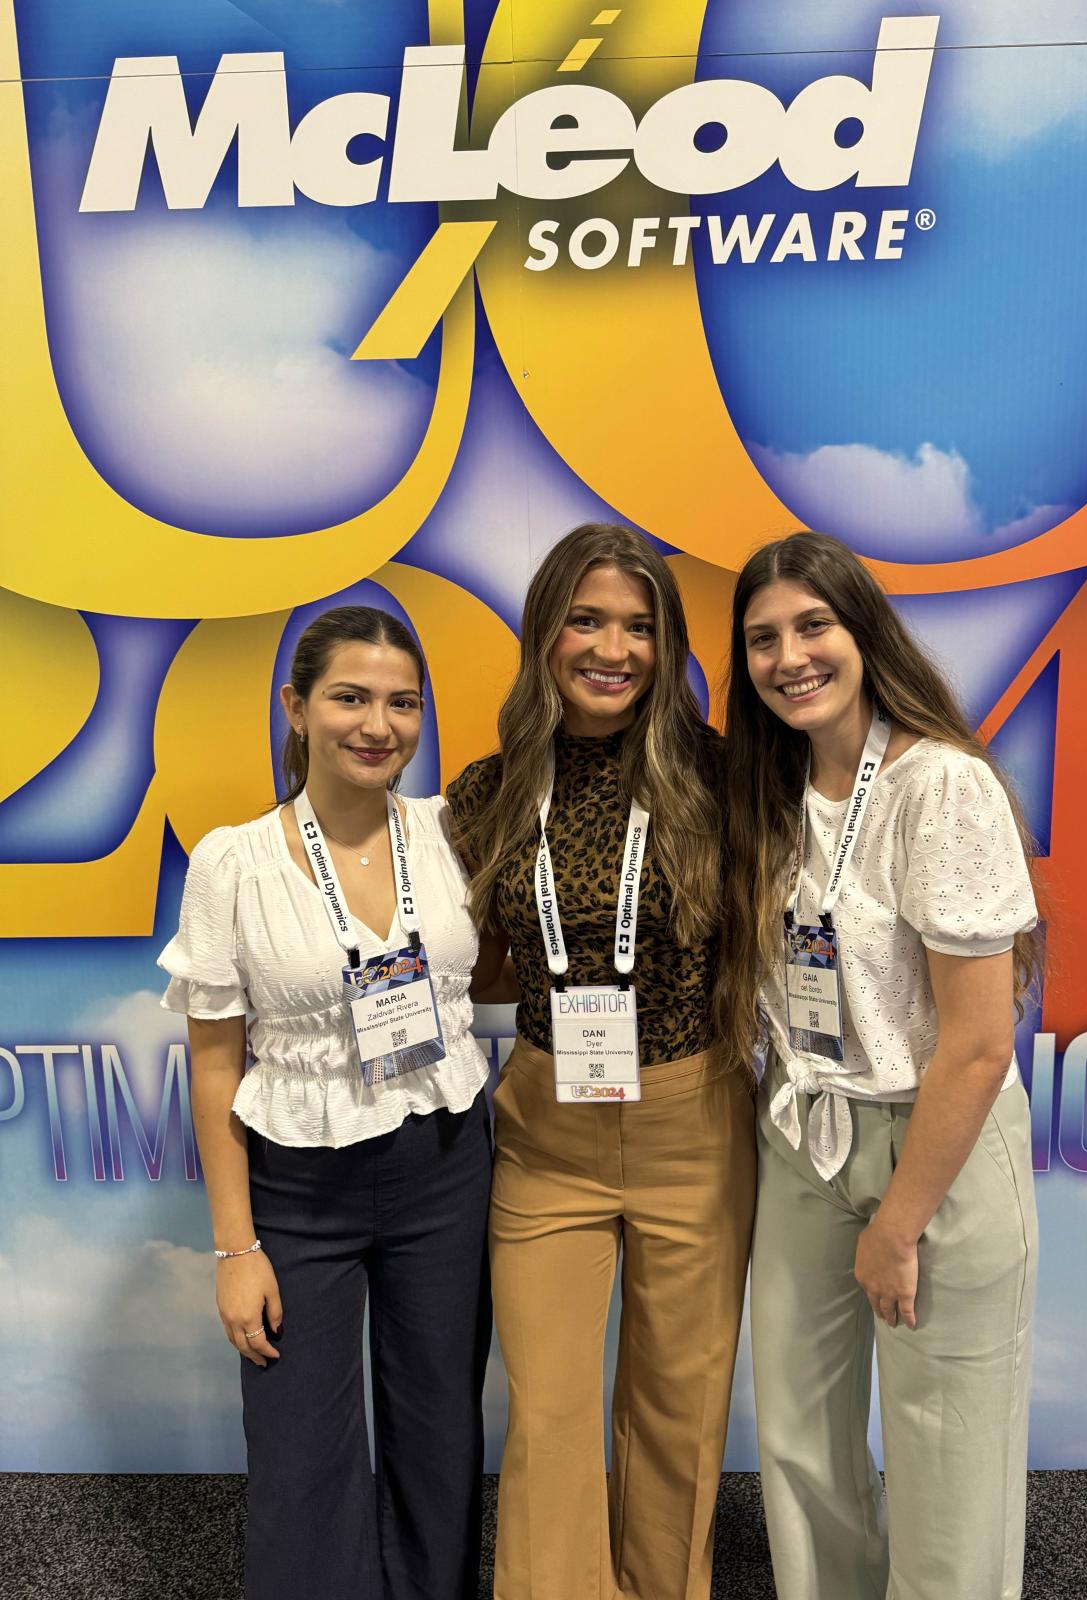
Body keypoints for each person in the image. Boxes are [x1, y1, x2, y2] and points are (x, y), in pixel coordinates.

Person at [716, 532, 1041, 1600]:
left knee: (948, 1450)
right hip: (803, 1125)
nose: (789, 656)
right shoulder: (763, 788)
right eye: (763, 638)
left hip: (933, 1137)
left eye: (814, 625)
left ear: (866, 634)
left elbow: (982, 1042)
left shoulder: (937, 786)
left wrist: (900, 1223)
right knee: (803, 1437)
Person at [159, 605, 497, 1600]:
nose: (378, 724)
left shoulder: (448, 833)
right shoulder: (235, 860)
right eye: (350, 697)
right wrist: (235, 1247)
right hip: (298, 1184)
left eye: (402, 702)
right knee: (300, 1443)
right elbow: (214, 1063)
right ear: (296, 707)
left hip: (445, 1166)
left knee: (439, 1432)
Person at [446, 523, 756, 1600]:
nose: (611, 647)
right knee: (554, 1410)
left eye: (638, 624)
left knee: (679, 1402)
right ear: (546, 634)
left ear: (667, 644)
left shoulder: (723, 776)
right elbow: (479, 962)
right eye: (587, 619)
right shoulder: (487, 789)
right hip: (547, 1128)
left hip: (694, 1121)